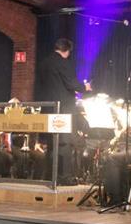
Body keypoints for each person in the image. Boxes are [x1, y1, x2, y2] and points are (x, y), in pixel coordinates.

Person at [36, 38, 91, 183]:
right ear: (66, 51)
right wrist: (85, 87)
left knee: (51, 144)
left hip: (48, 108)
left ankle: (50, 176)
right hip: (63, 109)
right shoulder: (63, 63)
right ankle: (64, 178)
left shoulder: (44, 63)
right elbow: (71, 83)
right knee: (64, 143)